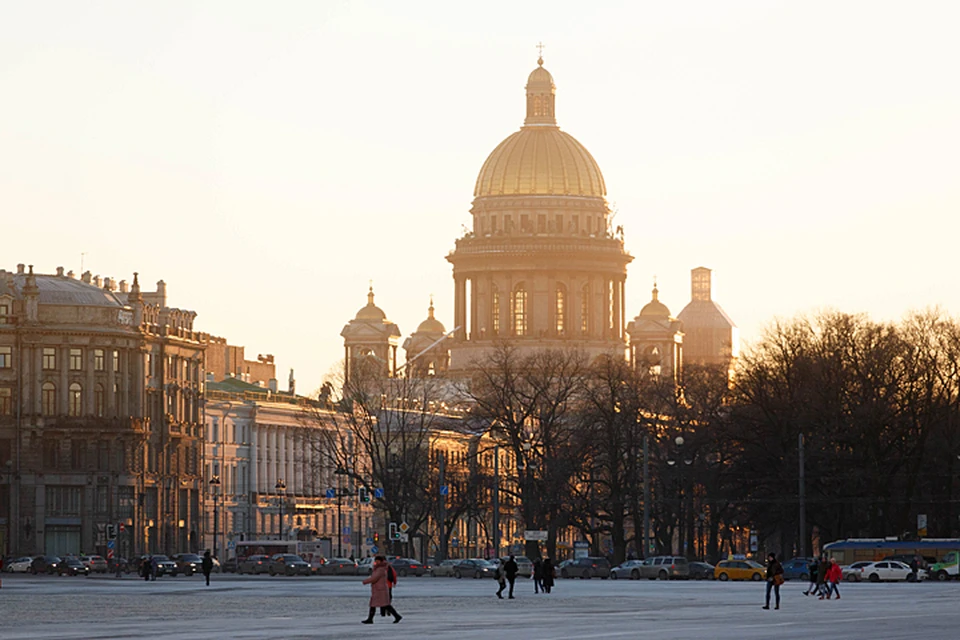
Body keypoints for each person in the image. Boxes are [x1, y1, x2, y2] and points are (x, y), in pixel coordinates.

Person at [361, 556, 402, 624]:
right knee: (379, 604)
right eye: (376, 561)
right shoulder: (379, 568)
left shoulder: (380, 569)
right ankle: (370, 619)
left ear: (381, 561)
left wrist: (365, 581)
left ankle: (396, 616)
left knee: (382, 605)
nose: (376, 562)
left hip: (380, 590)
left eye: (378, 561)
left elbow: (375, 578)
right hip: (379, 589)